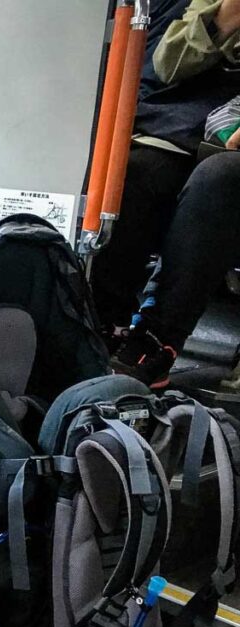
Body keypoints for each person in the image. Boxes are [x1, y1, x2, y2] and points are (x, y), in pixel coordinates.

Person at [90, 0, 240, 388]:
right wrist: (228, 17)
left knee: (220, 178)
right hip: (182, 131)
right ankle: (102, 325)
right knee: (136, 174)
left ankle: (158, 340)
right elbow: (166, 65)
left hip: (225, 153)